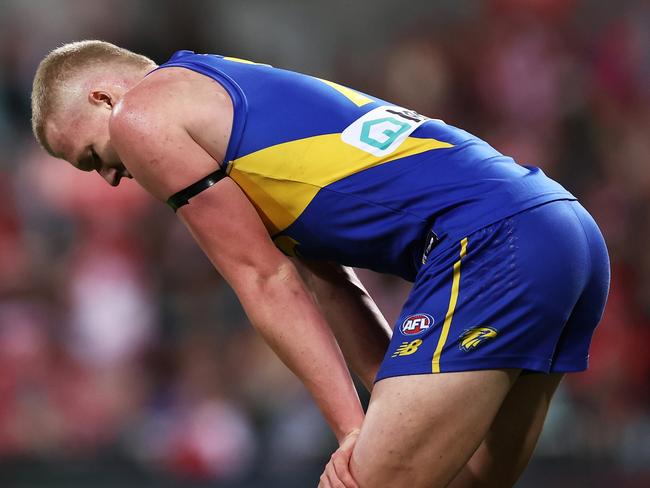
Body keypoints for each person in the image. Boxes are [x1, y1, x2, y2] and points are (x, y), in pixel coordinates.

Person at [31, 40, 610, 488]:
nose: (108, 177)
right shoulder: (231, 104)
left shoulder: (142, 114)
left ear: (104, 98)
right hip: (563, 229)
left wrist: (354, 438)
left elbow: (264, 281)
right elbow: (334, 286)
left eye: (88, 157)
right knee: (466, 480)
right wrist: (375, 422)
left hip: (494, 241)